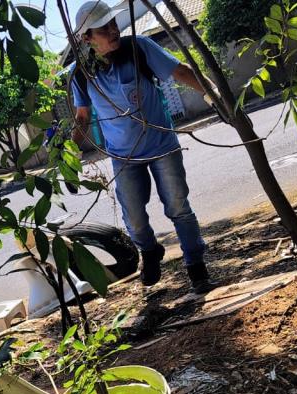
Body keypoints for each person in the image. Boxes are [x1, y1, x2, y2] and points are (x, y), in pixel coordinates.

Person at [70, 0, 216, 294]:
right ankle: (150, 252)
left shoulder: (138, 47)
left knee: (178, 207)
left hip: (161, 145)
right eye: (104, 29)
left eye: (113, 24)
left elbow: (181, 71)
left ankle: (195, 266)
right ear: (87, 38)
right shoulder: (80, 74)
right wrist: (69, 154)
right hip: (123, 157)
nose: (113, 31)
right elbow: (82, 118)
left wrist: (213, 93)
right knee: (134, 218)